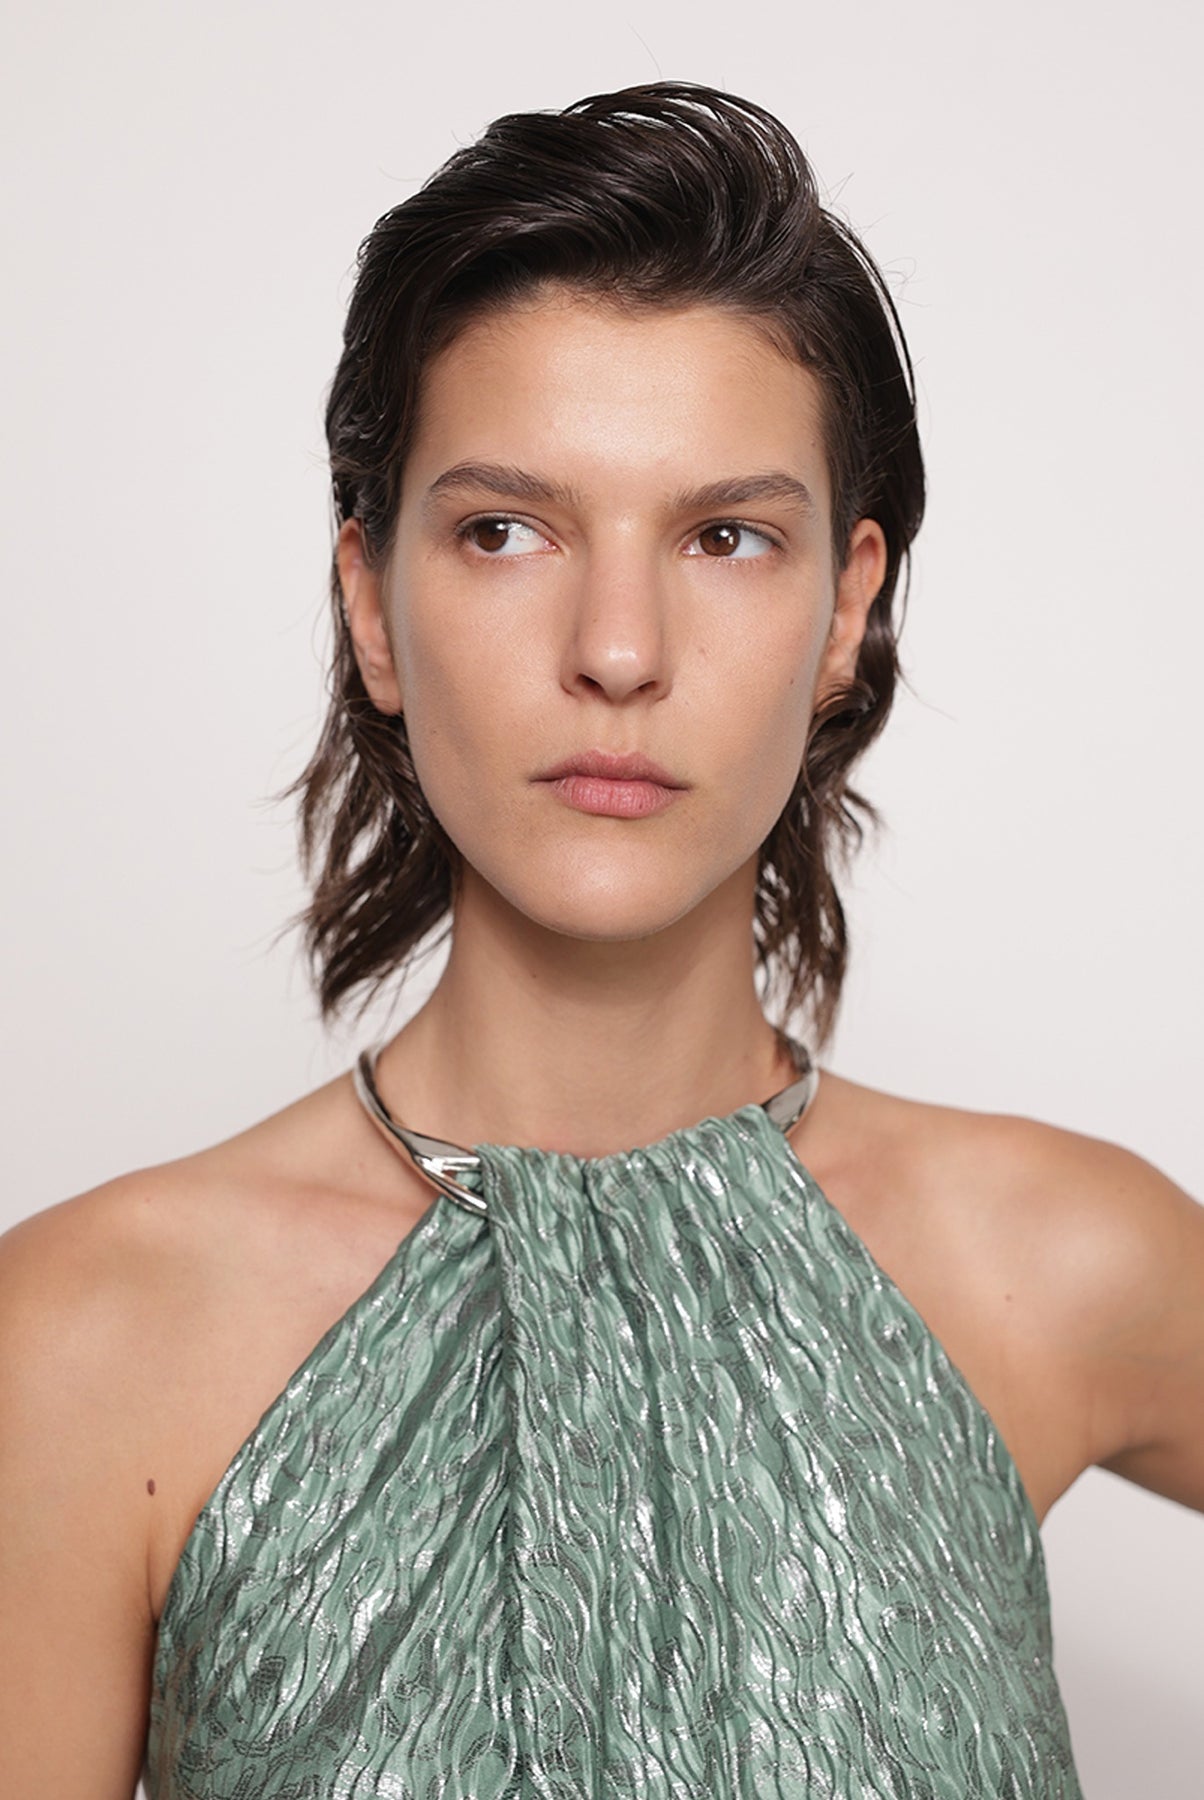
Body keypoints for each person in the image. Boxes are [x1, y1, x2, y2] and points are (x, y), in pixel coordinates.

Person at [1, 79, 1200, 1800]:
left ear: (846, 609)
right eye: (506, 530)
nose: (619, 649)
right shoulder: (79, 1344)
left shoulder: (1065, 1259)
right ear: (372, 603)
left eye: (726, 536)